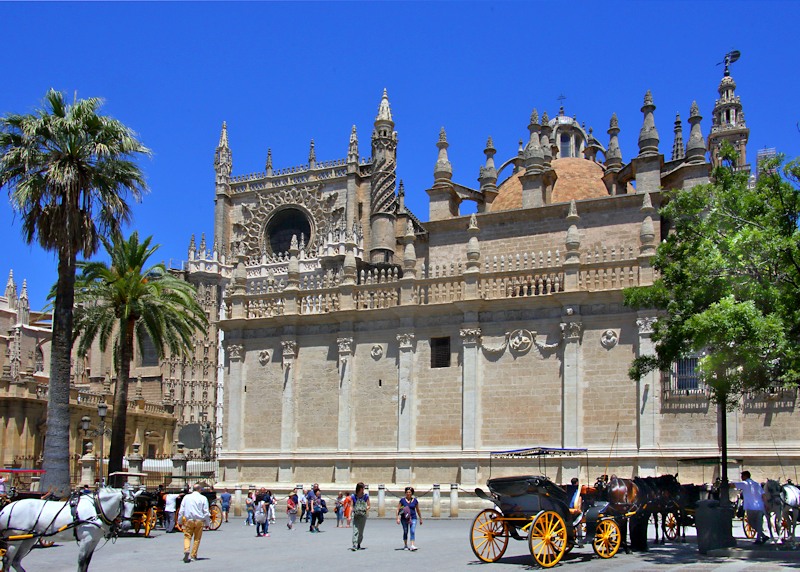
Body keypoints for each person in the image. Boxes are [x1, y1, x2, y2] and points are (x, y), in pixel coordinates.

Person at [177, 483, 211, 563]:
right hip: (199, 520)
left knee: (187, 536)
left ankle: (186, 550)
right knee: (197, 539)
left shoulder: (186, 497)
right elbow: (206, 512)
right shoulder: (203, 498)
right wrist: (207, 523)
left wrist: (180, 521)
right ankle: (193, 555)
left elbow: (181, 510)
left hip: (189, 520)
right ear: (199, 489)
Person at [733, 471, 768, 544]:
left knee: (751, 522)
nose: (741, 477)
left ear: (745, 476)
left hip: (751, 507)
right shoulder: (757, 484)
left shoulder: (744, 483)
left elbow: (732, 485)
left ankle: (761, 537)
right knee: (759, 523)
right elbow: (763, 495)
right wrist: (765, 504)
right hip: (760, 506)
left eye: (742, 476)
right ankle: (760, 537)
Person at [396, 486, 422, 550]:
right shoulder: (402, 500)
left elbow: (418, 510)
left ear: (412, 493)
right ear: (405, 493)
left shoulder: (415, 501)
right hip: (404, 518)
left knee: (412, 530)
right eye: (407, 492)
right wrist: (397, 518)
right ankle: (405, 545)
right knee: (405, 531)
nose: (408, 493)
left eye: (409, 492)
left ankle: (412, 545)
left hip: (413, 517)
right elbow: (398, 509)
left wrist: (420, 518)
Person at [350, 482, 370, 551]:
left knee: (361, 531)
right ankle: (354, 544)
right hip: (355, 514)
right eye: (363, 488)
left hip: (363, 515)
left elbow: (369, 505)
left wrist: (365, 508)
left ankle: (359, 543)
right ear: (360, 489)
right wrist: (349, 515)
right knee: (355, 530)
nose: (364, 489)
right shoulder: (353, 496)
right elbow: (351, 506)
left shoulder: (366, 496)